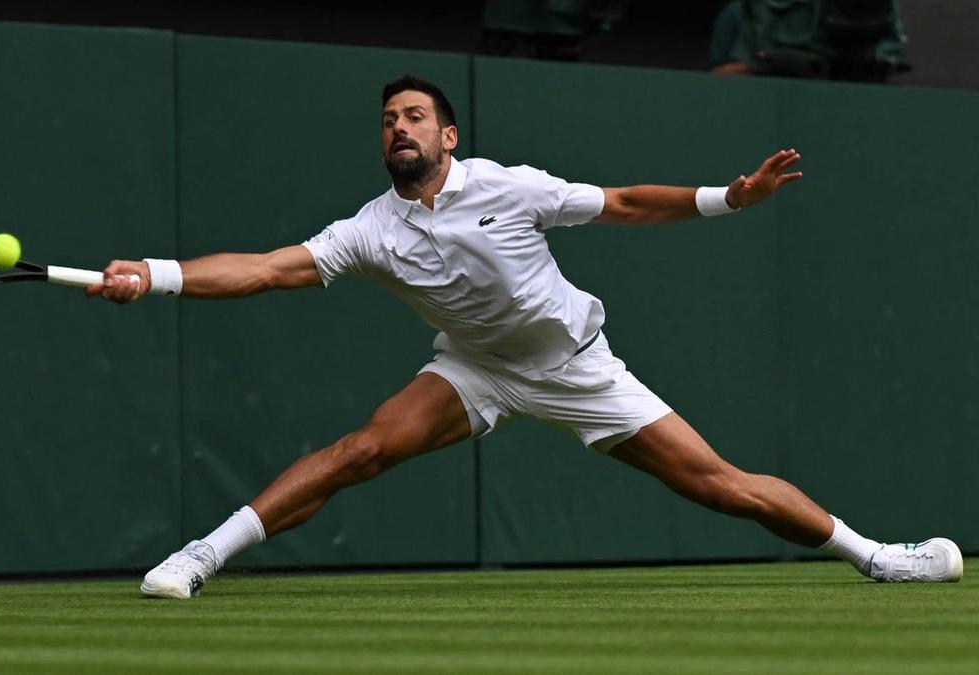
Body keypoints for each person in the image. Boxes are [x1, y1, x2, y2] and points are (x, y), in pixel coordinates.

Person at [87, 75, 963, 598]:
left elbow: (620, 204)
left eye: (415, 117)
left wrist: (727, 200)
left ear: (449, 134)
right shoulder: (369, 228)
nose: (400, 127)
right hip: (475, 370)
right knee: (360, 450)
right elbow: (269, 268)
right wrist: (154, 275)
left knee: (721, 486)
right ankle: (201, 556)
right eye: (389, 119)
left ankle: (878, 556)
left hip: (578, 368)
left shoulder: (508, 187)